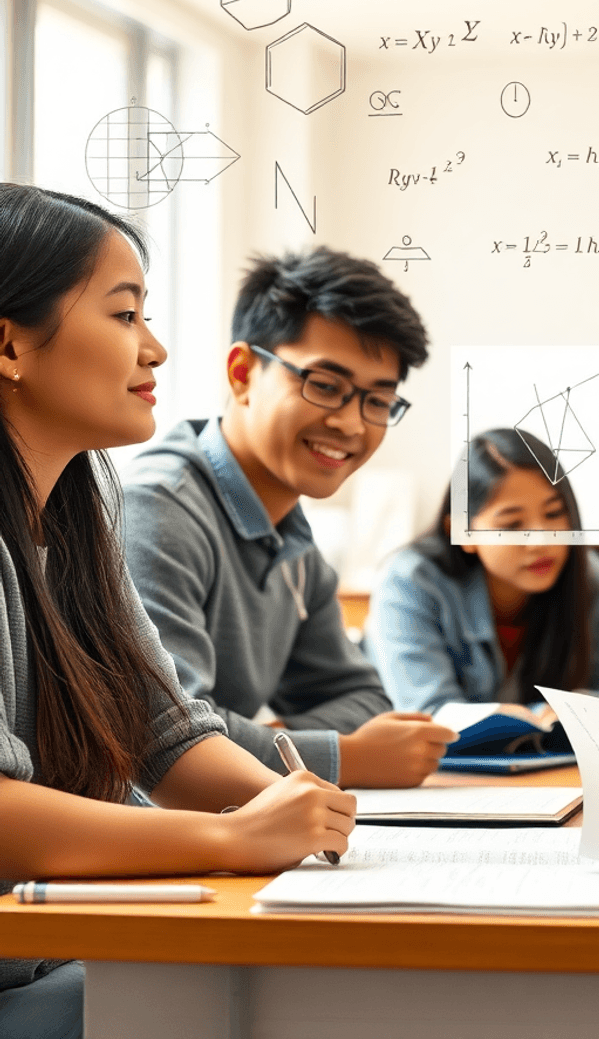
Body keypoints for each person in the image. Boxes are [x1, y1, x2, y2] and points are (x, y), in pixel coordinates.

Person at [0, 185, 355, 1039]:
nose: (154, 349)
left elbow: (164, 733)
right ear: (9, 344)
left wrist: (293, 808)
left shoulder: (80, 516)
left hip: (45, 956)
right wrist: (232, 841)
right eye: (125, 316)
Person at [122, 247, 455, 789]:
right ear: (242, 373)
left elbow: (364, 700)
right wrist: (343, 758)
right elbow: (163, 737)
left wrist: (263, 738)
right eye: (325, 385)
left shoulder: (294, 536)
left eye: (377, 400)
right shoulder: (159, 508)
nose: (351, 424)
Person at [366, 428, 599, 717]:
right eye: (512, 525)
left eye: (553, 514)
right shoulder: (410, 581)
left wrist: (559, 713)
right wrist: (542, 716)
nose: (541, 540)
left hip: (544, 761)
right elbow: (428, 714)